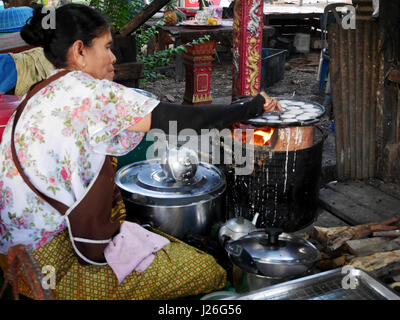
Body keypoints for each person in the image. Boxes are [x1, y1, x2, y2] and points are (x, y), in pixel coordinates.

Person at [0, 3, 282, 300]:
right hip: (53, 263)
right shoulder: (88, 91)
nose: (113, 57)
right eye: (106, 47)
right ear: (80, 51)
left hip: (12, 253)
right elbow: (178, 120)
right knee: (205, 270)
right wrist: (249, 106)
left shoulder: (41, 89)